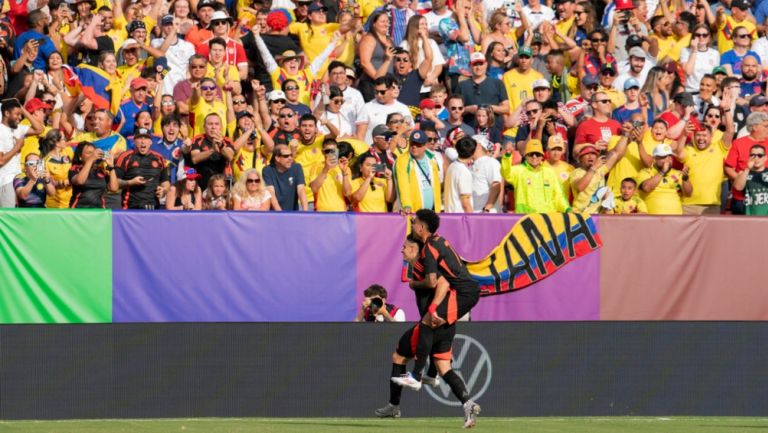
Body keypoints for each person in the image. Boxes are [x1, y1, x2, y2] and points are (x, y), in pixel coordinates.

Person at [392, 209, 481, 428]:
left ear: (422, 227)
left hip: (464, 294)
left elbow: (435, 282)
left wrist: (421, 293)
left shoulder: (429, 249)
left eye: (414, 223)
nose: (413, 226)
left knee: (426, 322)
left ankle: (416, 376)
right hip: (465, 293)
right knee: (443, 364)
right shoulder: (437, 242)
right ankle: (468, 404)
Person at [501, 139, 571, 213]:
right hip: (525, 217)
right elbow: (506, 173)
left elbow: (558, 195)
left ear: (542, 156)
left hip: (547, 217)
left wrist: (566, 208)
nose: (534, 157)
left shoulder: (549, 172)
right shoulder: (518, 171)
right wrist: (508, 155)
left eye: (537, 154)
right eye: (531, 154)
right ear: (526, 155)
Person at [0, 99, 44, 207]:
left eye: (21, 115)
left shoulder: (19, 128)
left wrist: (22, 109)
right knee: (8, 215)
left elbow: (39, 129)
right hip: (5, 180)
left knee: (18, 213)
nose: (20, 118)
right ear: (6, 113)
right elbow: (1, 161)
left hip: (18, 178)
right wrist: (17, 147)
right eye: (17, 114)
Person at [114, 127, 170, 209]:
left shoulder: (160, 158)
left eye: (146, 138)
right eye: (140, 138)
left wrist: (164, 190)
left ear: (151, 142)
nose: (143, 142)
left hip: (153, 206)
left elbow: (166, 182)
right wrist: (130, 182)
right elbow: (114, 183)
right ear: (134, 141)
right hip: (130, 206)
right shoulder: (125, 157)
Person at [394, 130, 442, 213]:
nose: (414, 147)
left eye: (418, 144)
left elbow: (437, 184)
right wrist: (407, 205)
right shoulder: (402, 161)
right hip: (412, 212)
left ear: (425, 145)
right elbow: (403, 184)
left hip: (432, 212)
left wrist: (438, 208)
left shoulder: (432, 159)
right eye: (412, 144)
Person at [637, 144, 693, 214]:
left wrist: (685, 179)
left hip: (676, 219)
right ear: (654, 159)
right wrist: (662, 172)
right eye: (663, 157)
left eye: (669, 156)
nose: (667, 159)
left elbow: (688, 194)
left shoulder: (678, 173)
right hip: (652, 218)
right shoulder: (646, 172)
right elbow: (646, 188)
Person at [68, 141, 119, 208]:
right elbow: (80, 181)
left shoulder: (101, 171)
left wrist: (111, 166)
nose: (93, 155)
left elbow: (114, 188)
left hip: (99, 211)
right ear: (80, 156)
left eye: (93, 153)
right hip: (78, 210)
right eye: (89, 153)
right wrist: (91, 159)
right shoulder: (75, 169)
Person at [262, 142, 308, 211]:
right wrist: (281, 214)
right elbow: (271, 193)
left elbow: (301, 190)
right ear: (277, 158)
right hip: (275, 214)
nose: (290, 158)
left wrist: (305, 211)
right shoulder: (267, 170)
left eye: (291, 155)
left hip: (293, 212)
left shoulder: (297, 167)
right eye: (286, 156)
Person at [443, 136, 475, 213]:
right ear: (472, 153)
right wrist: (471, 222)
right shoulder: (464, 171)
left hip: (450, 215)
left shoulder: (452, 166)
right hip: (460, 218)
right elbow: (465, 203)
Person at [733, 144, 768, 215]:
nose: (756, 158)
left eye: (760, 155)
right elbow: (738, 187)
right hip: (750, 216)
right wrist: (747, 168)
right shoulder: (743, 173)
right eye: (753, 155)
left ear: (765, 158)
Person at [471, 135, 502, 213]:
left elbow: (496, 186)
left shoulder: (491, 162)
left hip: (487, 215)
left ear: (478, 145)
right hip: (473, 214)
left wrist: (486, 209)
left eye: (470, 144)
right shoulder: (471, 165)